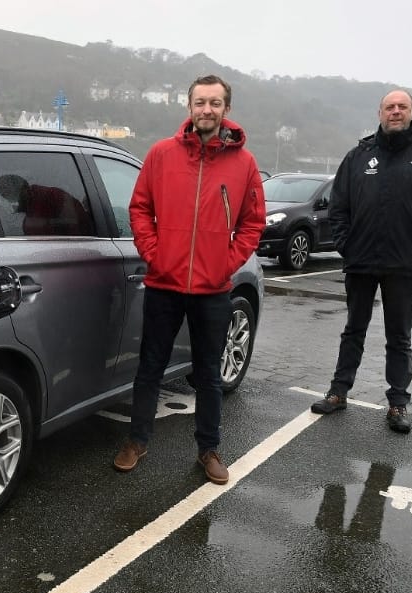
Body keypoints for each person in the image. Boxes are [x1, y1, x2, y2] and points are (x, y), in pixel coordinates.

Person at [112, 75, 265, 484]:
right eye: (200, 102)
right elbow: (140, 207)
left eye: (215, 103)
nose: (207, 110)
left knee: (209, 374)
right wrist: (154, 253)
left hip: (213, 290)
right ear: (189, 106)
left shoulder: (244, 163)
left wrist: (225, 263)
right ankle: (137, 440)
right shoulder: (162, 154)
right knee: (150, 367)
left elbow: (253, 224)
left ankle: (209, 449)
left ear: (226, 109)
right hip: (164, 283)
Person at [309, 89, 412, 433]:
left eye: (401, 106)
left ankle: (398, 403)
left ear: (411, 111)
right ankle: (338, 391)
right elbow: (339, 204)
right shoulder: (360, 154)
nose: (395, 111)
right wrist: (345, 243)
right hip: (361, 259)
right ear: (380, 112)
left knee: (399, 336)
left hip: (406, 262)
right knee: (353, 330)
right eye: (389, 107)